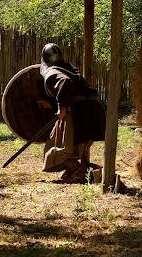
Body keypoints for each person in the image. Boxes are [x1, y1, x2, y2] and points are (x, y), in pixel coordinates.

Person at [37, 43, 106, 183]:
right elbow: (76, 92)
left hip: (78, 112)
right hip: (91, 110)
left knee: (56, 148)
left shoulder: (53, 72)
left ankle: (79, 169)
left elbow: (65, 84)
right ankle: (80, 170)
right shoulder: (69, 69)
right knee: (77, 145)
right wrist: (52, 104)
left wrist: (61, 108)